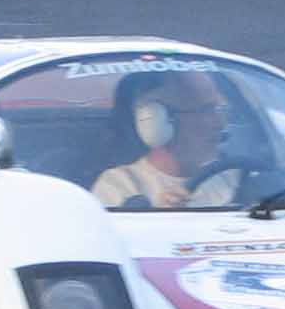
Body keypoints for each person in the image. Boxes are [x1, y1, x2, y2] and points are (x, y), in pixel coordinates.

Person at [92, 70, 242, 209]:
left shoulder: (234, 178)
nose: (220, 124)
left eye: (218, 109)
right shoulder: (117, 187)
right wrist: (158, 217)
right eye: (204, 111)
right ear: (157, 120)